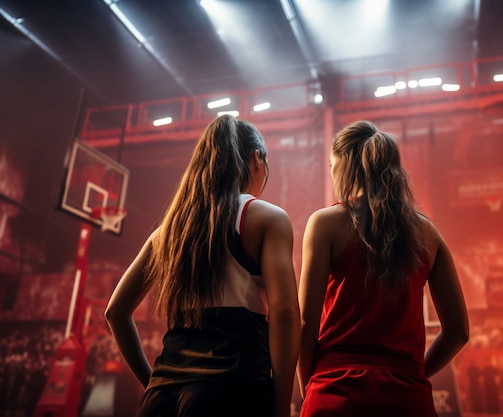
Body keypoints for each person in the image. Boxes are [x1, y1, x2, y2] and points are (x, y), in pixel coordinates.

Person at [105, 115, 300, 417]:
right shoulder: (266, 218)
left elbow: (115, 312)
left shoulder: (170, 230)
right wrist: (282, 404)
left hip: (160, 399)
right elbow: (285, 314)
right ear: (256, 159)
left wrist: (153, 383)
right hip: (231, 390)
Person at [297, 120, 469, 417]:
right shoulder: (427, 232)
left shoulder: (325, 224)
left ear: (344, 167)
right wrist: (413, 374)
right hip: (408, 397)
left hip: (335, 391)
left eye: (330, 164)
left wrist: (308, 386)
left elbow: (305, 322)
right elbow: (458, 332)